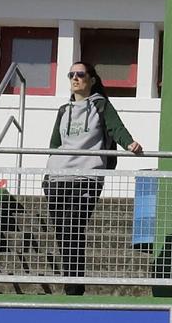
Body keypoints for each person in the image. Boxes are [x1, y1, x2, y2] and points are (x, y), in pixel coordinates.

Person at [46, 59, 144, 291]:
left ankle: (74, 286)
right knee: (62, 230)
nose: (75, 79)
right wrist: (46, 174)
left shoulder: (100, 105)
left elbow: (115, 127)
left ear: (92, 79)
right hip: (57, 177)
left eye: (80, 74)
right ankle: (70, 282)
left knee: (74, 227)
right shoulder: (63, 110)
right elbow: (54, 145)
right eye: (71, 75)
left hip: (86, 177)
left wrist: (129, 143)